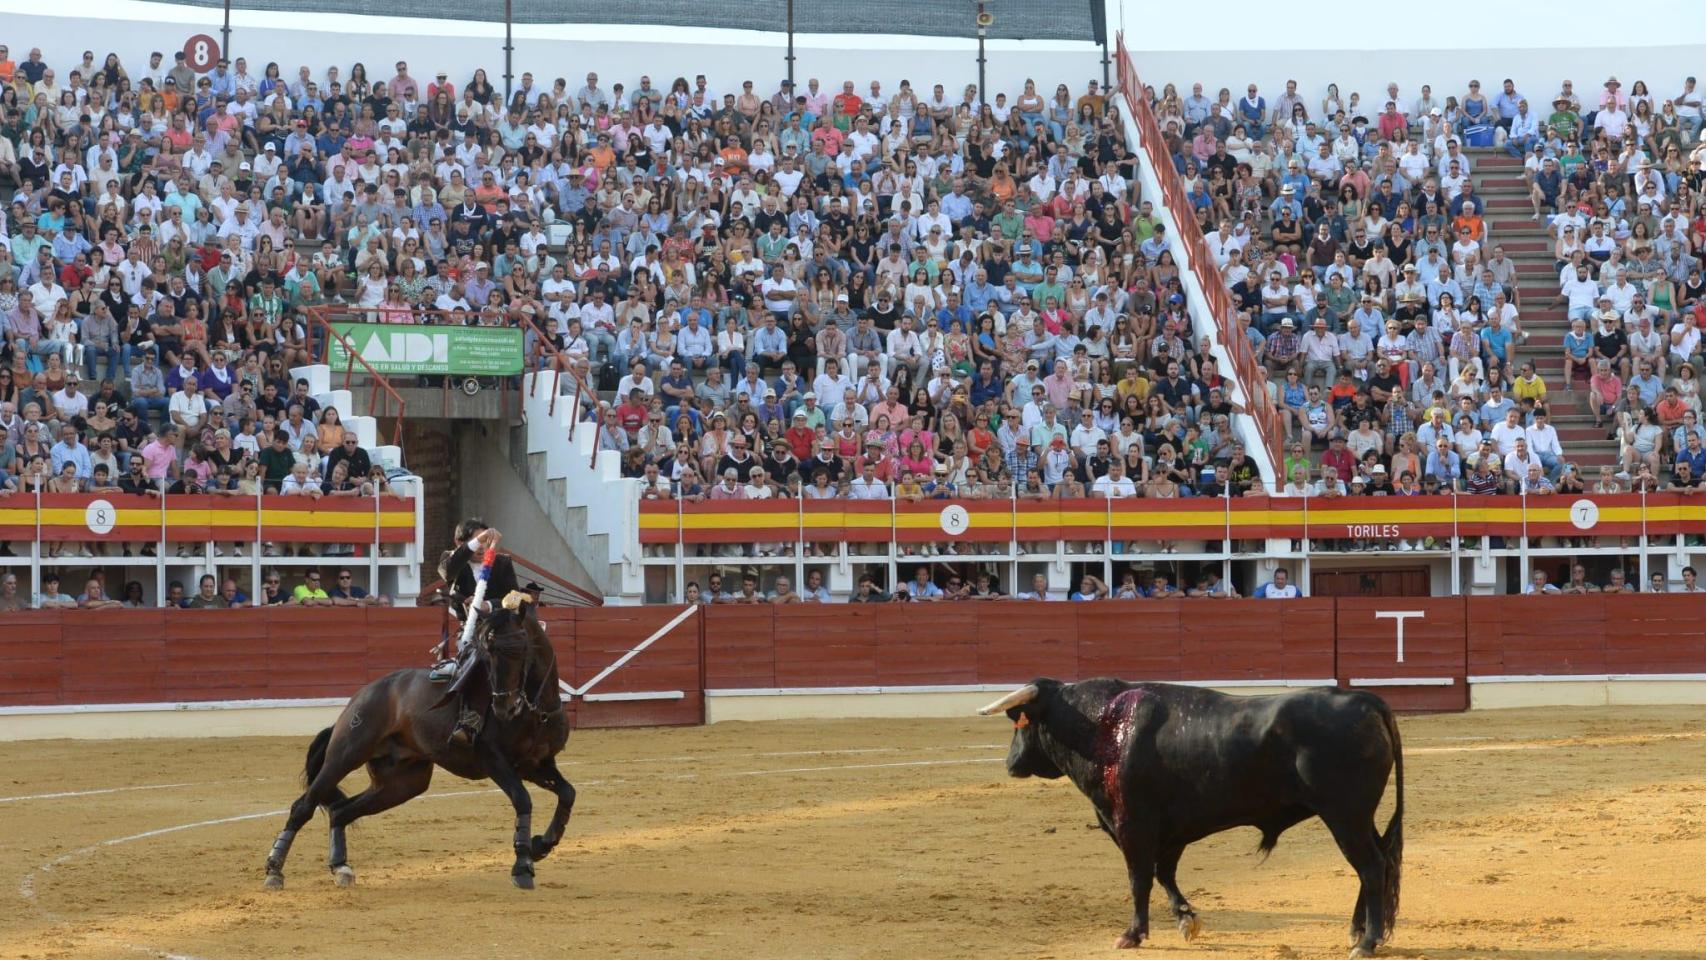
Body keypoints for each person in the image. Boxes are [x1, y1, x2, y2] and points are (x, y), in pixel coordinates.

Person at [434, 519, 545, 746]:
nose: (484, 546)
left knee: (534, 655)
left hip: (503, 625)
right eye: (478, 541)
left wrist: (490, 605)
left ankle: (540, 708)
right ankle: (469, 719)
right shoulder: (451, 560)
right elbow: (447, 571)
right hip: (471, 631)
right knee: (476, 660)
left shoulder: (502, 562)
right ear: (460, 542)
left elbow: (514, 596)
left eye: (486, 540)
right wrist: (477, 542)